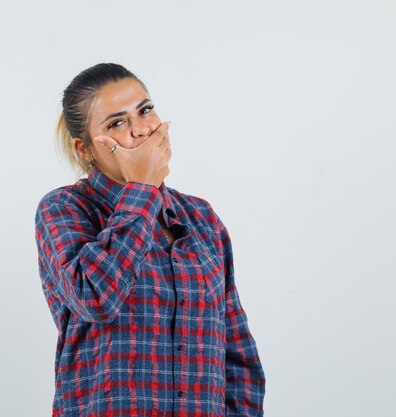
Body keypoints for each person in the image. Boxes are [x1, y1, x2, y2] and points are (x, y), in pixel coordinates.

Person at [34, 62, 266, 417]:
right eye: (117, 123)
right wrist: (141, 187)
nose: (142, 129)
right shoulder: (64, 209)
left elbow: (235, 353)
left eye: (145, 110)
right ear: (85, 150)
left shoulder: (201, 217)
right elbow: (95, 296)